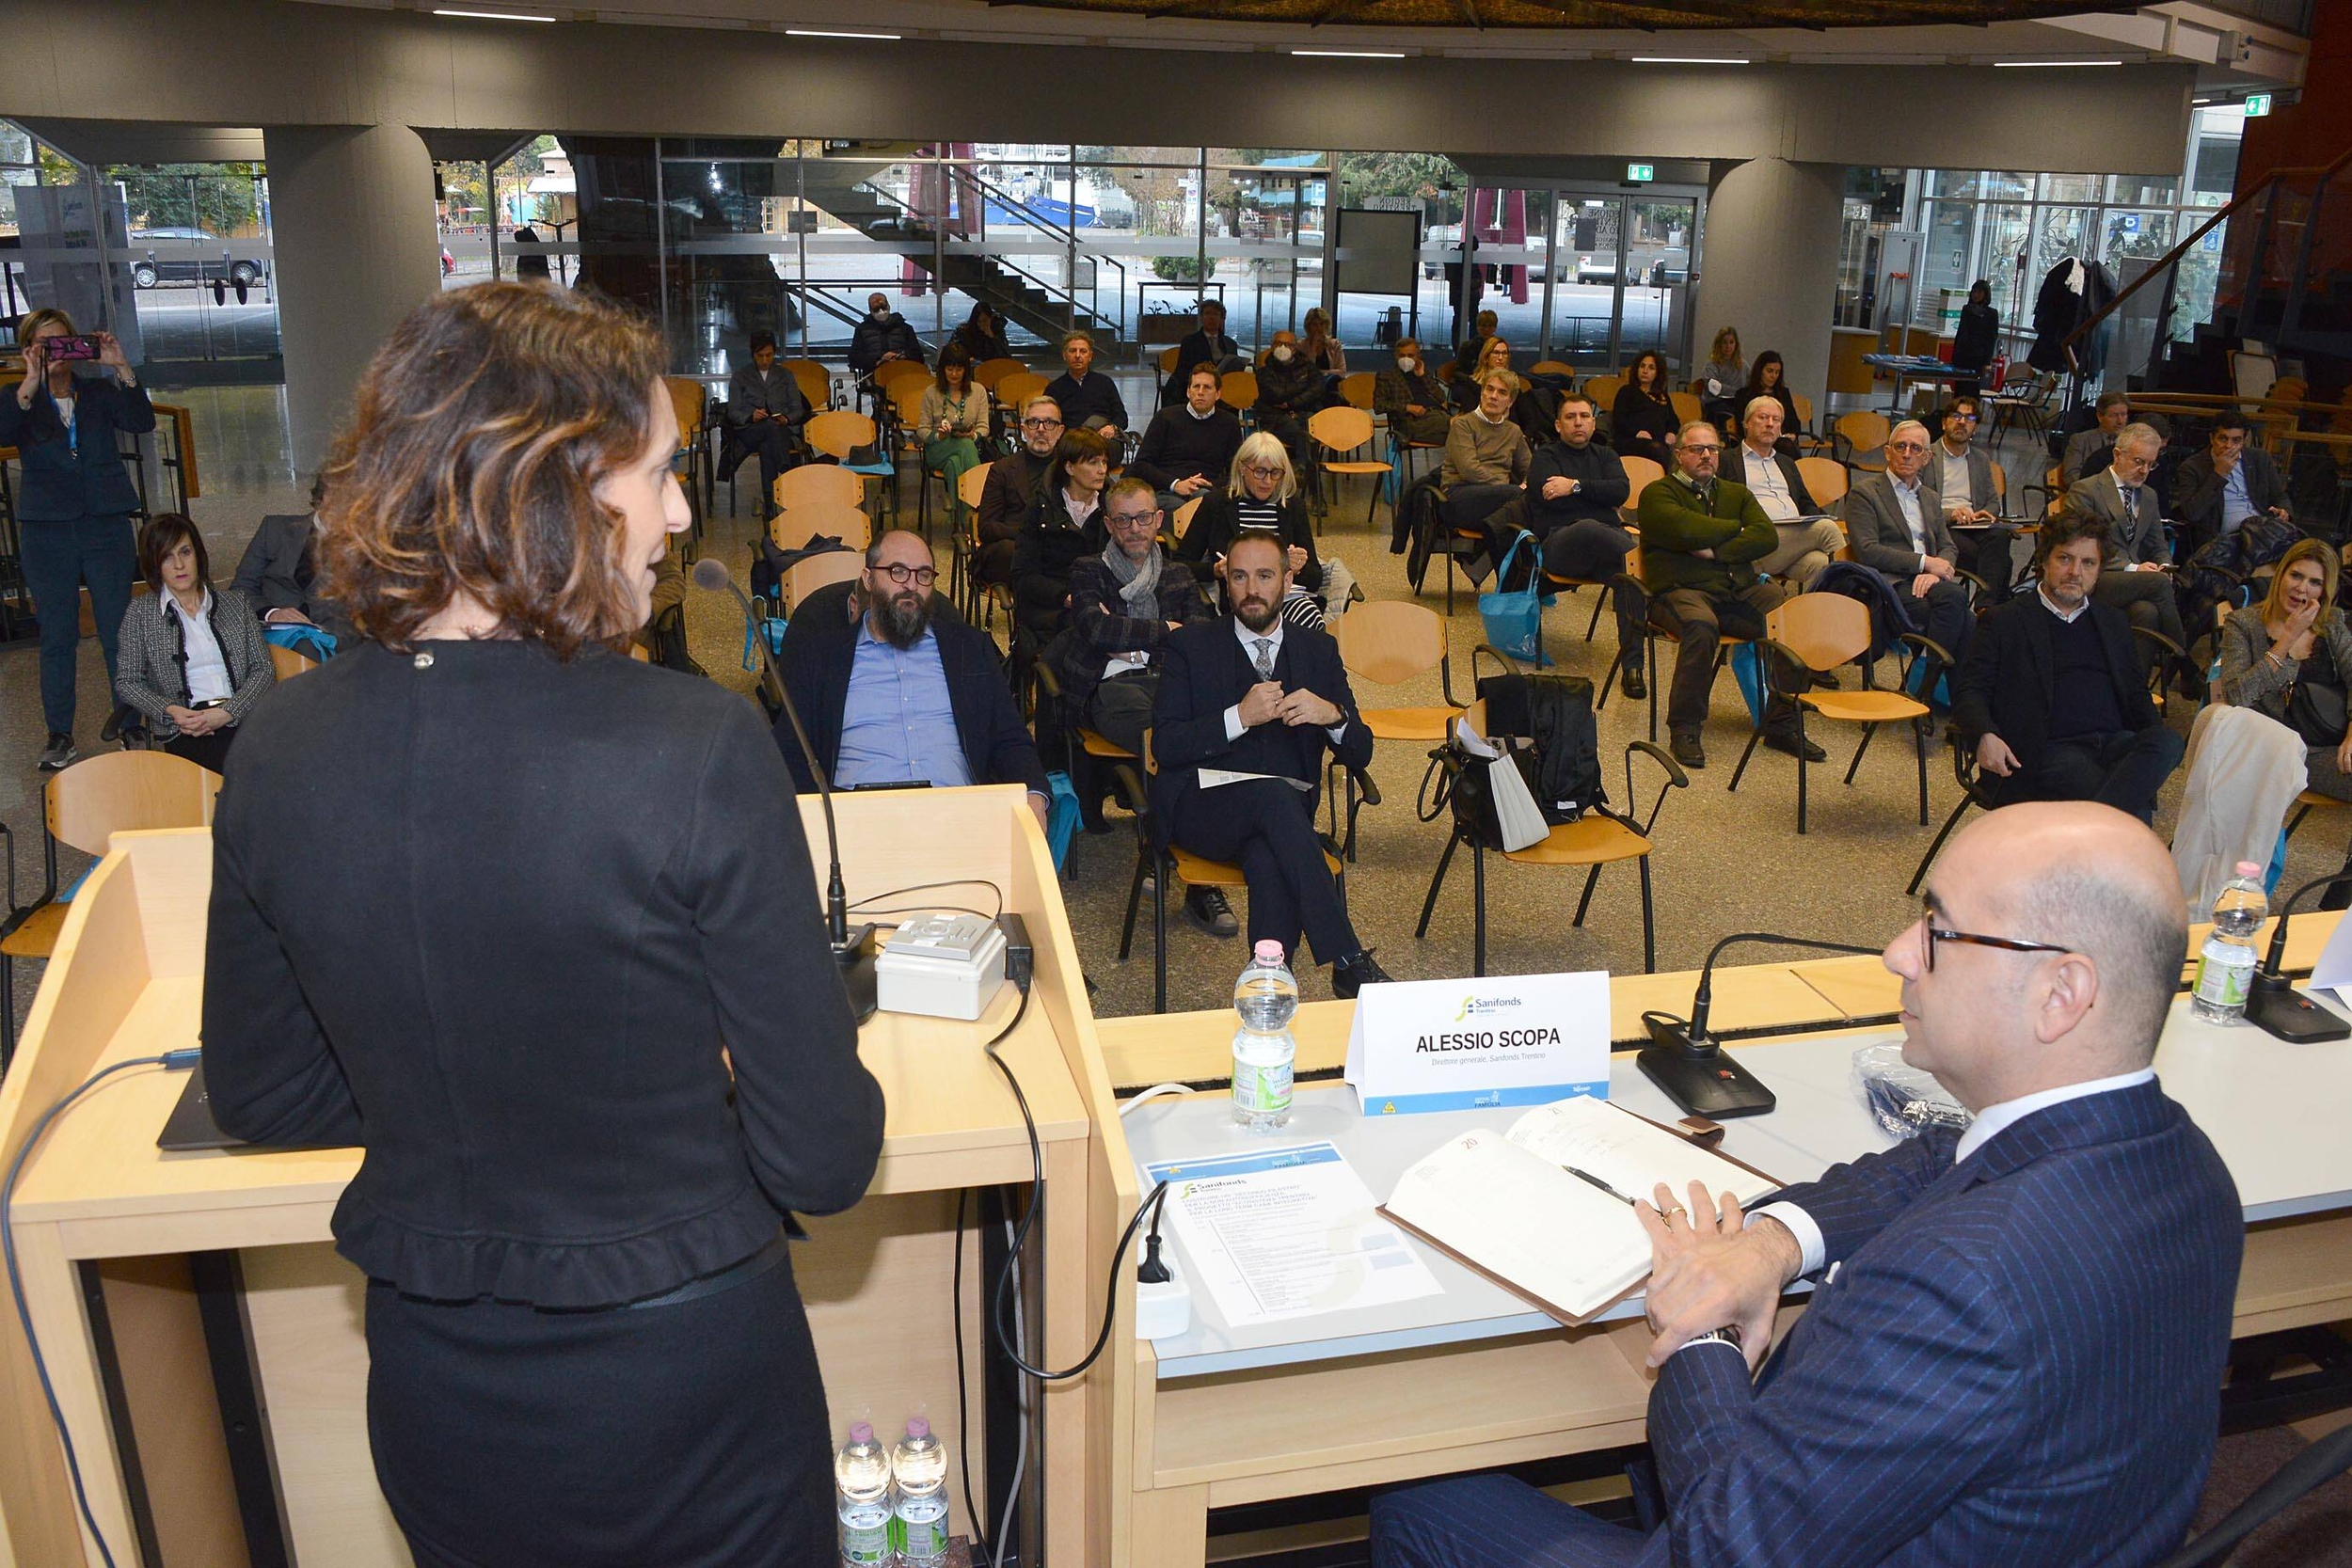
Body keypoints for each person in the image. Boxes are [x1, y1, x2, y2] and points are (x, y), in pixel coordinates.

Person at [200, 281, 886, 1568]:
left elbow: (263, 1091)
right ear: (564, 481)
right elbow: (824, 1155)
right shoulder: (693, 744)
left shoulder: (279, 747)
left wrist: (467, 1090)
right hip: (689, 1395)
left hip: (436, 1386)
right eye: (662, 475)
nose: (679, 516)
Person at [1372, 801, 2240, 1568]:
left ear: (2062, 993)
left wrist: (1700, 1319)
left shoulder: (1962, 1290)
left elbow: (1724, 1549)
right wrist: (1767, 1242)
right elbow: (1944, 1159)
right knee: (1646, 1449)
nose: (1901, 950)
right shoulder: (2188, 1166)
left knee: (1421, 1498)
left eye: (1938, 928)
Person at [1149, 531, 1391, 998]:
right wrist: (1238, 717)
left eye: (1264, 575)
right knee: (1273, 796)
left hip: (1281, 823)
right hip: (1204, 807)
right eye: (1239, 576)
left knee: (1269, 857)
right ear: (1225, 580)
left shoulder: (1318, 650)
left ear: (1288, 578)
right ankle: (1347, 957)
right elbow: (1167, 744)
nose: (1251, 589)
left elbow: (1360, 752)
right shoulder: (1192, 646)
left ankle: (1267, 987)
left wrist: (1334, 717)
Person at [778, 530, 1050, 824]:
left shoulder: (969, 649)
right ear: (868, 579)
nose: (911, 585)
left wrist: (1034, 793)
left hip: (958, 816)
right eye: (898, 572)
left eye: (923, 575)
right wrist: (815, 823)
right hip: (857, 821)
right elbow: (790, 751)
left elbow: (1010, 738)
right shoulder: (821, 656)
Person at [1953, 514, 2184, 822]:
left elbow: (2136, 696)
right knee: (2133, 810)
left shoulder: (2113, 622)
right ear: (2045, 561)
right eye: (2065, 558)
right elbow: (1970, 689)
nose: (2075, 572)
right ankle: (2111, 834)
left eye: (2088, 563)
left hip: (2113, 741)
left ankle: (2096, 828)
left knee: (2168, 741)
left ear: (2099, 570)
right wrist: (1983, 734)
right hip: (2047, 749)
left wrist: (2148, 755)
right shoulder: (2004, 620)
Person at [0, 309, 154, 770]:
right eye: (45, 345)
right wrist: (30, 380)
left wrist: (121, 365)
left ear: (79, 345)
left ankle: (129, 723)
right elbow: (4, 434)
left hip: (104, 522)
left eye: (64, 342)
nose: (57, 353)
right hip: (47, 529)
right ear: (30, 349)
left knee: (117, 632)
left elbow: (141, 422)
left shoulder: (100, 392)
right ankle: (60, 734)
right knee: (58, 635)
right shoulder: (18, 397)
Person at [2174, 540, 2352, 911]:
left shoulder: (2332, 624)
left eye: (2315, 583)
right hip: (2266, 751)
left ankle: (2338, 901)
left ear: (2327, 590)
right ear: (2280, 575)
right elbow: (2235, 695)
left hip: (2321, 748)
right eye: (2296, 576)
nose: (2302, 589)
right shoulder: (2246, 623)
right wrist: (2286, 640)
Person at [1635, 420, 1821, 770]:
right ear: (1678, 455)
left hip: (1736, 588)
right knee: (1702, 627)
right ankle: (1685, 727)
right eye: (1696, 449)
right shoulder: (1657, 493)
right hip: (1680, 591)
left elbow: (1766, 536)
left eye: (1713, 449)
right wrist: (1738, 529)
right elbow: (1685, 528)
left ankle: (1781, 723)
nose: (1707, 456)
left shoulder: (1736, 493)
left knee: (1790, 617)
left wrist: (1716, 550)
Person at [113, 512, 275, 773]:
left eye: (185, 552)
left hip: (241, 715)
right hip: (185, 727)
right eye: (167, 556)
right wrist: (168, 710)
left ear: (198, 555)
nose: (178, 565)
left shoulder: (236, 604)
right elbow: (127, 682)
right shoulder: (140, 613)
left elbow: (263, 669)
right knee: (240, 773)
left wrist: (229, 711)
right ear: (155, 565)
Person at [1525, 391, 1643, 698]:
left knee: (1629, 578)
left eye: (1584, 417)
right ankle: (1646, 560)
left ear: (1593, 423)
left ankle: (1633, 668)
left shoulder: (1606, 456)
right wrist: (1594, 496)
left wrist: (1573, 486)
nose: (1578, 423)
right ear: (1558, 425)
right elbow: (1543, 494)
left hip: (1607, 550)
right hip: (1561, 545)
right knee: (1594, 529)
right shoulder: (1546, 456)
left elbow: (1619, 491)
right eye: (1570, 417)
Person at [1842, 420, 1975, 676]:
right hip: (1888, 585)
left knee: (1958, 609)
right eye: (1900, 446)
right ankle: (1929, 685)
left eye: (1916, 449)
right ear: (1887, 452)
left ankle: (1932, 689)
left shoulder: (1930, 498)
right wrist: (1925, 562)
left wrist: (1934, 573)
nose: (1907, 454)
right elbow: (1868, 550)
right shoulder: (1865, 493)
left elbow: (1948, 546)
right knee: (1963, 615)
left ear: (1926, 458)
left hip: (1929, 582)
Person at [2062, 420, 2188, 670]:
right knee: (2157, 583)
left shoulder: (2149, 496)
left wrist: (2165, 565)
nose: (2144, 470)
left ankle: (2133, 691)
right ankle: (2184, 662)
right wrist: (2132, 568)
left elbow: (2157, 544)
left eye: (2151, 464)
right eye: (2138, 461)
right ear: (2118, 455)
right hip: (2094, 577)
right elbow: (2078, 547)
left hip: (2132, 584)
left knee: (2147, 612)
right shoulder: (2086, 490)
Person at [1178, 432, 1327, 630]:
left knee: (1307, 615)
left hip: (1283, 601)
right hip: (1240, 602)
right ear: (1242, 468)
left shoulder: (1293, 507)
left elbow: (1315, 579)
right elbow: (1179, 566)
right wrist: (1215, 571)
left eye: (1275, 473)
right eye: (1260, 472)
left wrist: (1298, 568)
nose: (1267, 480)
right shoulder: (1216, 504)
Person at [1722, 397, 1842, 590]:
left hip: (1791, 543)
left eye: (1776, 420)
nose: (1770, 424)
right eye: (1763, 417)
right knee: (1826, 529)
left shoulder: (1786, 463)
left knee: (1821, 564)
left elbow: (1806, 503)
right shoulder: (1726, 460)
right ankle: (1865, 588)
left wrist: (1812, 519)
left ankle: (1812, 618)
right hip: (1754, 543)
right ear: (1746, 423)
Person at [1012, 426, 1112, 655]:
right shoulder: (1040, 507)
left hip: (1103, 599)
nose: (1102, 470)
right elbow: (1024, 575)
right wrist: (1066, 597)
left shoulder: (1112, 507)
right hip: (1052, 606)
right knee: (1080, 637)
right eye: (1093, 463)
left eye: (1104, 462)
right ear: (1069, 467)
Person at [234, 473, 356, 644]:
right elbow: (240, 589)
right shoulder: (274, 529)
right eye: (335, 493)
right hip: (272, 637)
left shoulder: (362, 547)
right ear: (320, 496)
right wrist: (272, 613)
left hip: (333, 641)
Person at [2169, 411, 2295, 562]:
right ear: (2212, 438)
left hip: (2263, 528)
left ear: (2244, 441)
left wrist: (2284, 512)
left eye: (2236, 440)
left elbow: (2280, 497)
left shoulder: (2260, 459)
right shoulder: (2192, 467)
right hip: (2225, 538)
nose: (2229, 446)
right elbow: (2192, 513)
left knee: (2297, 543)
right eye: (2223, 439)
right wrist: (2218, 475)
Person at [1925, 393, 2018, 596]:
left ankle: (1987, 607)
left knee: (2000, 536)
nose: (1962, 423)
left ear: (1975, 428)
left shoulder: (1980, 459)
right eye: (1956, 416)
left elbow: (1993, 501)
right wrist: (1951, 514)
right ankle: (1989, 610)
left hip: (1973, 523)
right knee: (2001, 561)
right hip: (1942, 524)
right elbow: (1917, 502)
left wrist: (1985, 512)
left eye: (1970, 419)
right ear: (1943, 423)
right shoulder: (1927, 456)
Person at [1439, 369, 1533, 569]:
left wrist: (1527, 483)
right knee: (1521, 503)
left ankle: (1511, 576)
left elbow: (1530, 468)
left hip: (1501, 501)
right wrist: (1514, 490)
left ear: (1510, 401)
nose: (1493, 396)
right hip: (1461, 494)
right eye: (1489, 389)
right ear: (1482, 392)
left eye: (1501, 392)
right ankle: (1520, 575)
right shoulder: (1463, 425)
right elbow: (1469, 470)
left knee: (1524, 507)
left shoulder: (1513, 431)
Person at [974, 396, 1062, 596]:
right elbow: (986, 528)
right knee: (1016, 553)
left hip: (1056, 547)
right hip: (1011, 550)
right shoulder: (1002, 469)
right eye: (1033, 422)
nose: (1041, 429)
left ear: (1060, 431)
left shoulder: (1070, 469)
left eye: (1049, 423)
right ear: (1023, 431)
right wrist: (1028, 534)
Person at [1129, 362, 1244, 515]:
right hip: (1167, 491)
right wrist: (1175, 484)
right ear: (1188, 391)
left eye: (1207, 387)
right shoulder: (1165, 417)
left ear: (1218, 394)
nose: (1200, 392)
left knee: (1205, 502)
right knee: (1183, 509)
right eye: (1196, 387)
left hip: (1207, 492)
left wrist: (1211, 484)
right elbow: (1141, 464)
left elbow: (1237, 472)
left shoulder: (1229, 423)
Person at [725, 328, 811, 520]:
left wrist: (787, 418)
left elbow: (797, 408)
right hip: (751, 430)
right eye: (760, 356)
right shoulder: (741, 376)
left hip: (778, 430)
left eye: (769, 355)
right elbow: (733, 411)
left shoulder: (785, 375)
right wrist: (750, 415)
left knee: (767, 446)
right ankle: (785, 468)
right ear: (753, 354)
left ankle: (770, 503)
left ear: (775, 353)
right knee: (771, 430)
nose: (765, 360)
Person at [918, 345, 992, 534]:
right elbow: (922, 431)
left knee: (954, 464)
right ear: (942, 369)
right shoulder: (931, 392)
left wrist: (973, 435)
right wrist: (938, 435)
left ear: (966, 370)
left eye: (959, 369)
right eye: (950, 368)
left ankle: (958, 521)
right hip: (937, 449)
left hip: (966, 446)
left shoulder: (978, 391)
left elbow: (984, 427)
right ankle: (978, 507)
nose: (954, 373)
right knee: (964, 446)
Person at [1255, 327, 1324, 467]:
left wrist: (1291, 402)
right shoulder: (1264, 371)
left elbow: (1317, 390)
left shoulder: (1308, 367)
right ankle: (1305, 473)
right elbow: (1277, 395)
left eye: (1288, 344)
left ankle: (1305, 472)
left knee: (1315, 430)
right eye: (1278, 344)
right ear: (1272, 347)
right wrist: (1302, 386)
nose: (1282, 348)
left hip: (1304, 413)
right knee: (1303, 436)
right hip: (1274, 418)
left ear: (1295, 348)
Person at [1044, 329, 1126, 441]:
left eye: (1083, 351)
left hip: (1104, 438)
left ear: (1090, 356)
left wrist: (1112, 427)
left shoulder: (1105, 383)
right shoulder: (1054, 388)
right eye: (1072, 351)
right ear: (1064, 355)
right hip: (1071, 441)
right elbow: (1048, 421)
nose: (1078, 355)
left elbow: (1121, 416)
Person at [1162, 296, 1242, 404]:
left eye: (1215, 314)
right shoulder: (1190, 342)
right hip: (1199, 387)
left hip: (1224, 389)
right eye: (1208, 314)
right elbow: (1182, 371)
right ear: (1202, 317)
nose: (1211, 318)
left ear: (1221, 319)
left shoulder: (1230, 344)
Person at [1375, 338, 1452, 448]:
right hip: (1410, 423)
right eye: (1402, 356)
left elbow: (1441, 398)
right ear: (1396, 356)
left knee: (1459, 437)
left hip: (1435, 417)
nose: (1406, 359)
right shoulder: (1386, 376)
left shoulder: (1423, 373)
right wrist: (1407, 407)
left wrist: (1422, 376)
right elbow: (1379, 406)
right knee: (1461, 428)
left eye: (1410, 356)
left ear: (1418, 356)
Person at [1612, 349, 1679, 469]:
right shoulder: (1627, 391)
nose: (1645, 371)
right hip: (1631, 439)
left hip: (1659, 441)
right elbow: (1619, 419)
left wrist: (1671, 432)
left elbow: (1673, 420)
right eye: (1642, 366)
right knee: (1657, 449)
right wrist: (1636, 432)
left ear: (1658, 373)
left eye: (1651, 368)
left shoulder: (1662, 396)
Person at [848, 290, 924, 380]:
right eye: (876, 309)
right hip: (875, 375)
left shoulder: (905, 328)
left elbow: (918, 356)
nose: (881, 311)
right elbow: (854, 358)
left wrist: (901, 356)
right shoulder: (862, 330)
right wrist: (879, 359)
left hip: (903, 373)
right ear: (870, 310)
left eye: (883, 307)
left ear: (888, 306)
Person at [2061, 389, 2134, 484]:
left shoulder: (2132, 442)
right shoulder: (2080, 440)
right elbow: (2071, 476)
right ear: (2100, 416)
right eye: (2114, 416)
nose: (2120, 421)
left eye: (2123, 414)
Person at [1736, 350, 1800, 449]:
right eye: (1769, 371)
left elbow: (1794, 421)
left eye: (1777, 372)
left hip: (1781, 439)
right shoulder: (1744, 394)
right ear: (1760, 370)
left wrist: (1793, 434)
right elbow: (1741, 424)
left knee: (1787, 446)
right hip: (1755, 439)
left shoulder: (1783, 393)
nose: (1773, 376)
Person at [1951, 278, 1999, 397]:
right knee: (1960, 389)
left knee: (1973, 389)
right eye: (1974, 292)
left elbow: (1991, 338)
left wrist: (1987, 361)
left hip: (1979, 358)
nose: (1976, 295)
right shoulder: (1967, 309)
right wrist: (1955, 355)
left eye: (1979, 292)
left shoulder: (1992, 314)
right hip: (1962, 356)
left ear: (1986, 294)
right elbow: (1961, 333)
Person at [1450, 307, 1500, 407]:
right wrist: (1470, 379)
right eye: (1483, 326)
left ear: (1495, 328)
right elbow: (1456, 372)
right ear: (1477, 327)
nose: (1486, 329)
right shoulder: (1467, 346)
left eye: (1490, 326)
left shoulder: (1499, 347)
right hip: (1469, 383)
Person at [1699, 325, 1745, 432]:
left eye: (1731, 342)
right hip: (1715, 404)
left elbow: (1750, 384)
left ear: (1736, 345)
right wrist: (1738, 392)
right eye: (1724, 342)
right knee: (1730, 415)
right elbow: (1714, 388)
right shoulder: (1711, 365)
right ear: (1719, 344)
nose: (1728, 346)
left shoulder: (1743, 365)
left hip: (1736, 402)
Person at [948, 301, 1011, 367]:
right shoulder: (963, 332)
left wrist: (992, 337)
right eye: (979, 321)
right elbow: (952, 351)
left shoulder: (998, 331)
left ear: (991, 318)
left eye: (985, 321)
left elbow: (1006, 356)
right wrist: (965, 358)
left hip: (994, 368)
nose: (982, 324)